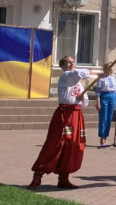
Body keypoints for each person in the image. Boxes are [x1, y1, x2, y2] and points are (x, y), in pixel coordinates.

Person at [27, 56, 94, 190]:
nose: (71, 64)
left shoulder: (78, 83)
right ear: (62, 66)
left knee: (72, 145)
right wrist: (96, 73)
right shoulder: (65, 76)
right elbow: (77, 74)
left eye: (73, 62)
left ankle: (63, 179)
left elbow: (84, 102)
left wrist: (81, 98)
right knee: (56, 144)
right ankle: (37, 176)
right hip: (64, 115)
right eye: (68, 62)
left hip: (76, 115)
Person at [95, 65, 116, 147]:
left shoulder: (114, 78)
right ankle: (102, 137)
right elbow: (97, 91)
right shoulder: (101, 78)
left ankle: (106, 137)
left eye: (111, 69)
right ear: (105, 69)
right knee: (103, 118)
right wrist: (98, 102)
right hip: (104, 96)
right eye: (108, 68)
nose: (110, 70)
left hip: (112, 97)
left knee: (109, 119)